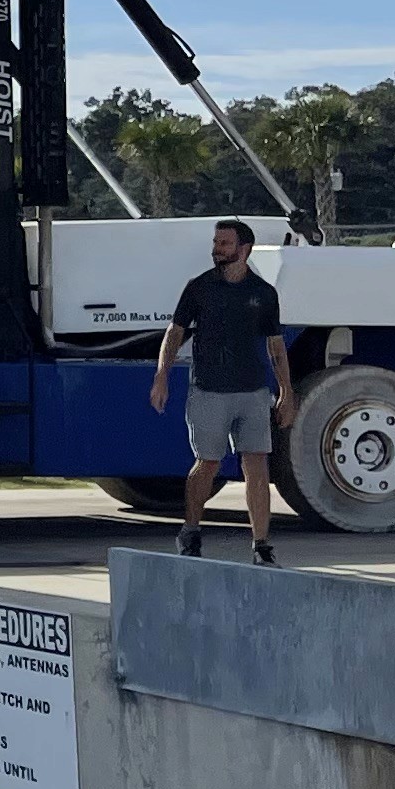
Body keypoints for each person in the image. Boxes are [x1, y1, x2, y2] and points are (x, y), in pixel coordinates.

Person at [149, 216, 295, 562]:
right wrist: (162, 376)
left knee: (257, 464)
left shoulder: (263, 294)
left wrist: (286, 391)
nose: (217, 250)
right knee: (208, 462)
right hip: (209, 390)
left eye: (224, 244)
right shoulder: (199, 287)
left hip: (253, 391)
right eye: (216, 244)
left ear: (244, 249)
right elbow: (175, 333)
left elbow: (276, 346)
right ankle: (191, 531)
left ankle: (261, 544)